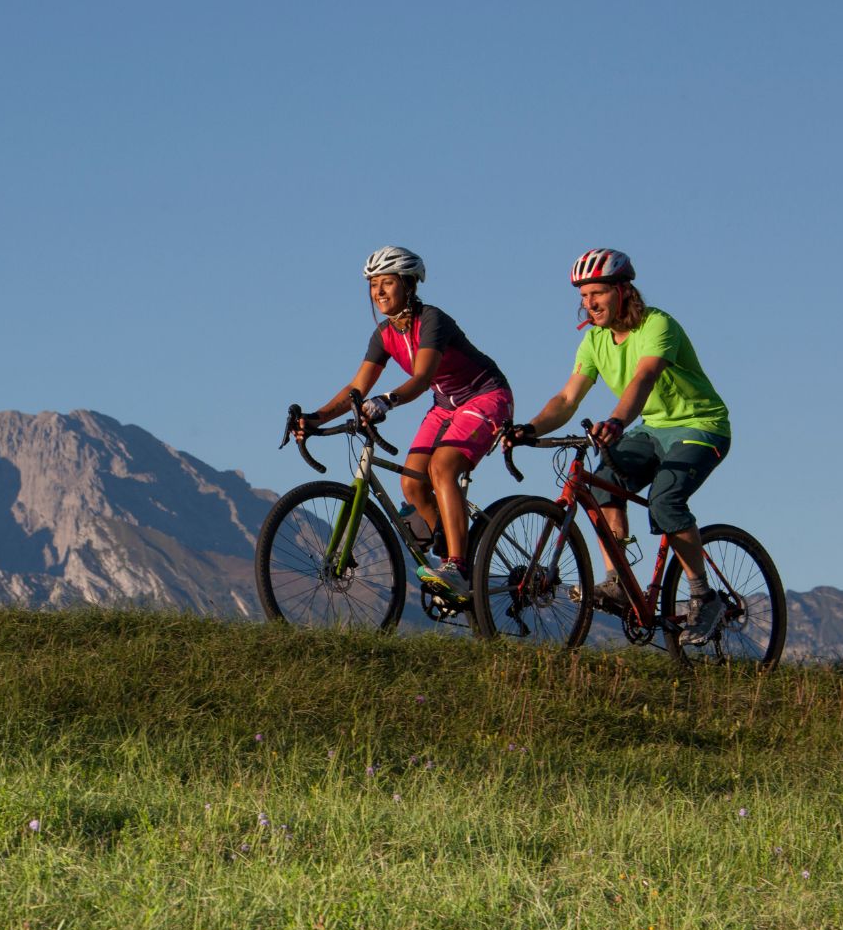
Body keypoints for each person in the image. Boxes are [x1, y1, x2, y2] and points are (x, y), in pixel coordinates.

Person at [503, 248, 732, 643]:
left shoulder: (657, 325)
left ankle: (703, 596)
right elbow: (567, 399)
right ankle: (618, 583)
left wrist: (617, 421)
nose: (590, 304)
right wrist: (530, 428)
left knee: (664, 502)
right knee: (600, 484)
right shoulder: (594, 342)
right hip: (652, 429)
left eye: (599, 294)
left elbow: (643, 378)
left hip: (701, 427)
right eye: (583, 297)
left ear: (623, 291)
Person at [292, 246, 515, 597]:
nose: (378, 291)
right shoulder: (383, 335)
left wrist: (388, 400)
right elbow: (356, 387)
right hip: (445, 404)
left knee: (442, 468)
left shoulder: (432, 321)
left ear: (408, 285)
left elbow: (423, 376)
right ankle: (452, 559)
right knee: (412, 483)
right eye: (373, 284)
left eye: (387, 283)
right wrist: (314, 418)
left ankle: (457, 565)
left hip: (485, 397)